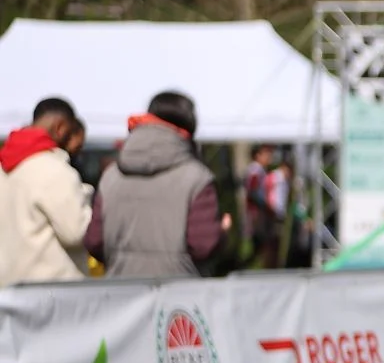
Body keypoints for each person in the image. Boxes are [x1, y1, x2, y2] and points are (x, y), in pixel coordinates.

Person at [87, 91, 230, 277]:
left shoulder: (110, 177)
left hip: (120, 297)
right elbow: (203, 246)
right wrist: (222, 232)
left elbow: (94, 242)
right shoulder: (198, 178)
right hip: (178, 299)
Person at [0, 96, 93, 286]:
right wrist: (86, 197)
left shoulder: (4, 167)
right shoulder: (56, 170)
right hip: (52, 295)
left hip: (9, 291)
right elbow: (77, 233)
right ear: (60, 127)